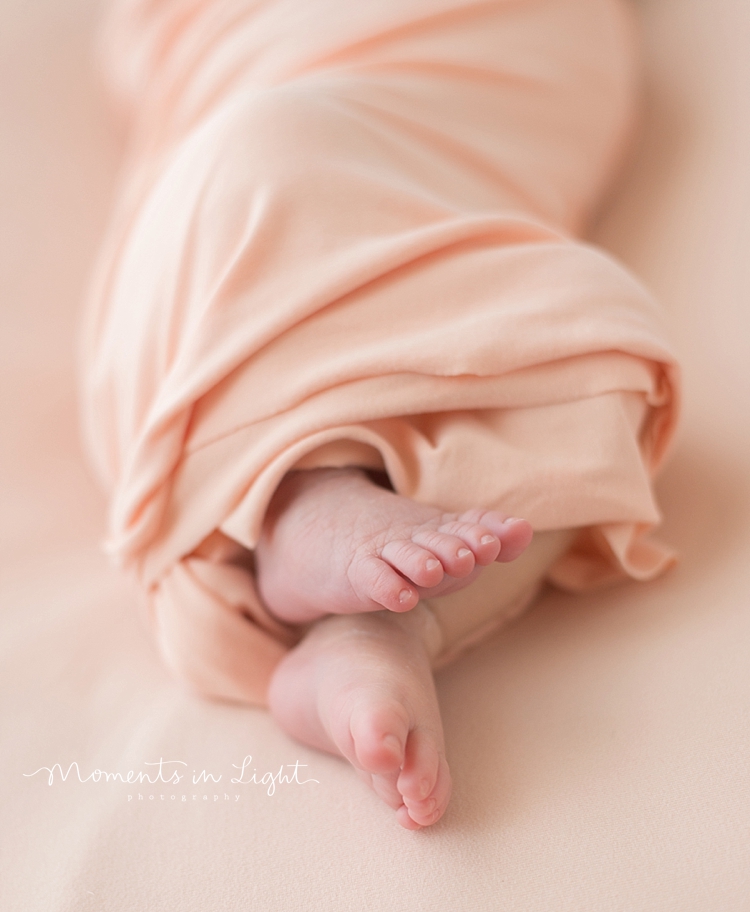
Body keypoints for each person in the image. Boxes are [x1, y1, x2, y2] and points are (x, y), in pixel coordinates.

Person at [82, 0, 680, 829]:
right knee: (265, 155)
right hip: (293, 130)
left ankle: (389, 629)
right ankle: (305, 498)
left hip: (472, 186)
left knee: (601, 361)